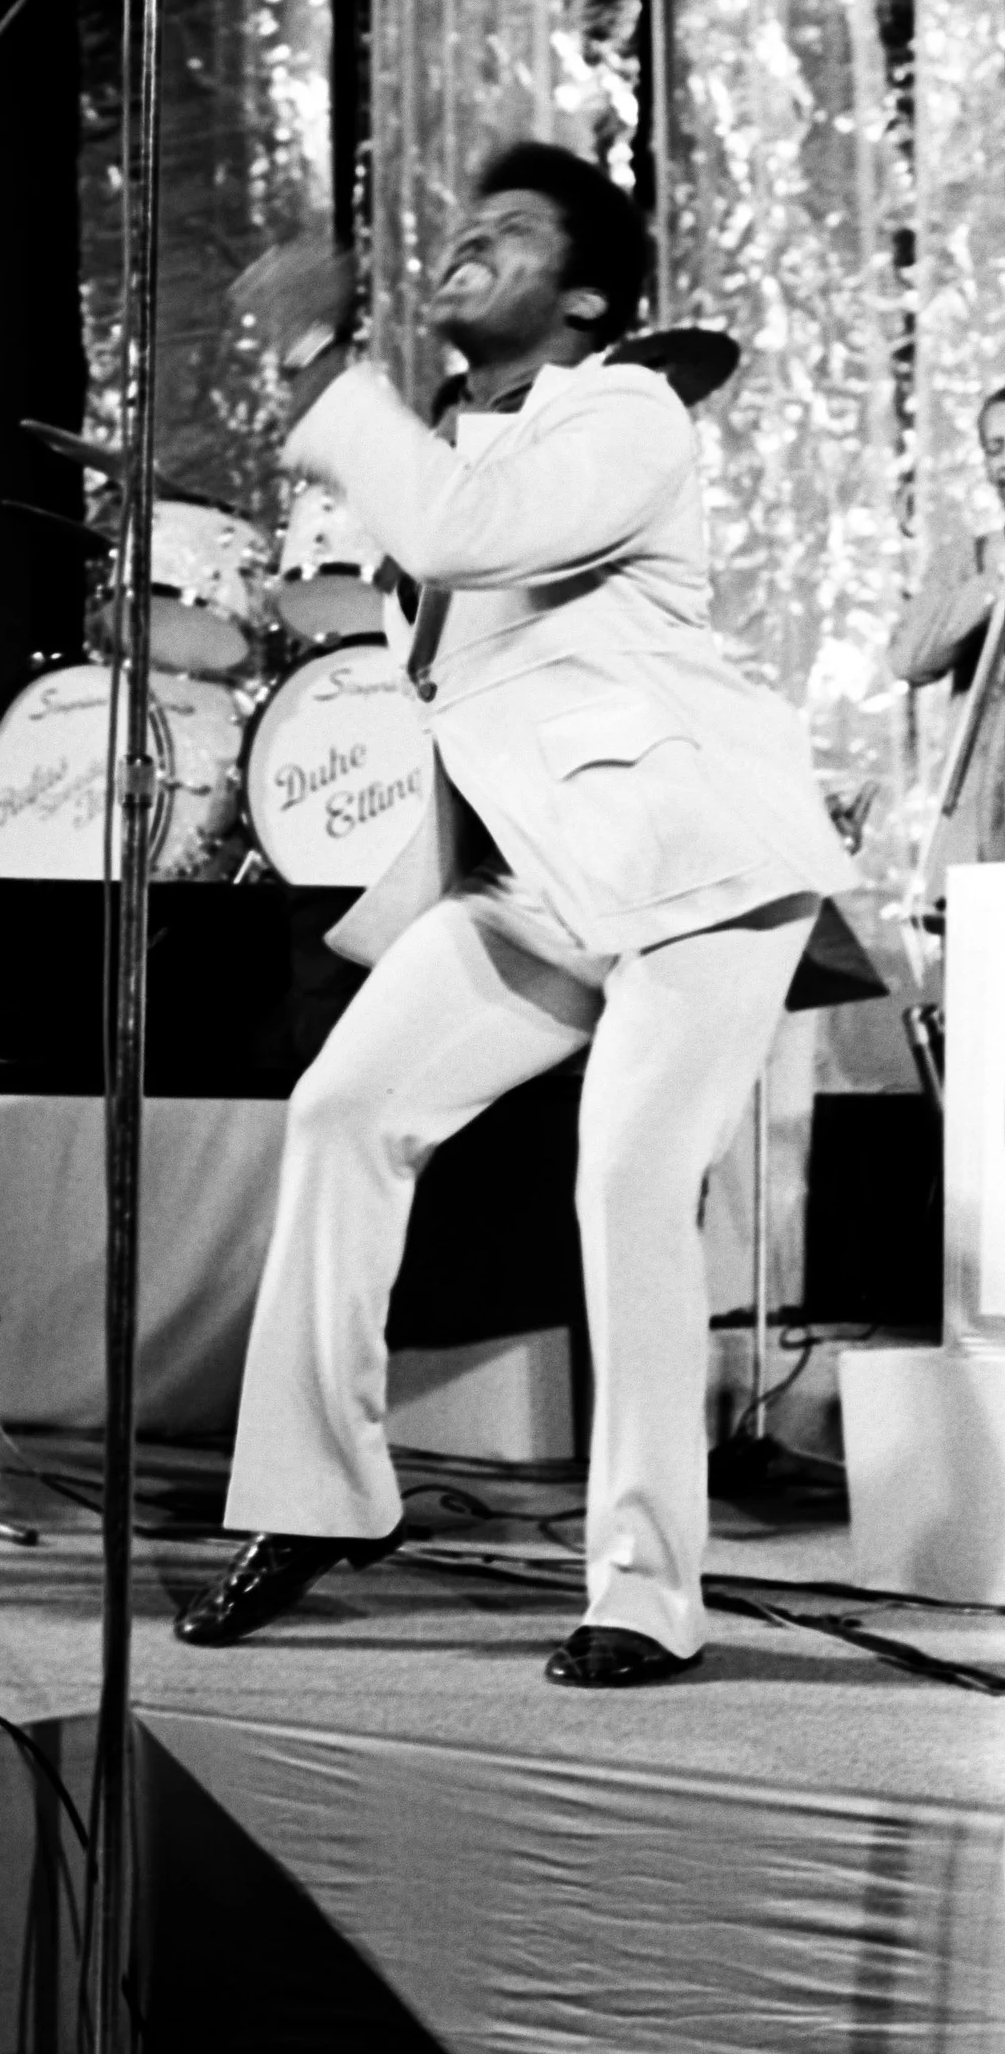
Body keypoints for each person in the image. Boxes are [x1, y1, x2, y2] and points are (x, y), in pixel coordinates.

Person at [176, 144, 857, 1686]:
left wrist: (317, 357)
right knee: (343, 1111)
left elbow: (461, 533)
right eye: (468, 221)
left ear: (591, 300)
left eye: (517, 229)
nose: (471, 237)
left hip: (690, 870)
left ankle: (646, 1589)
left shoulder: (623, 408)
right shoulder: (464, 442)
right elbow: (449, 580)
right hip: (538, 881)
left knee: (627, 1185)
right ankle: (321, 1499)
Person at [890, 387, 1005, 888]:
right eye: (995, 448)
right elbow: (908, 660)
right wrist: (990, 586)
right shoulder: (969, 560)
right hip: (982, 839)